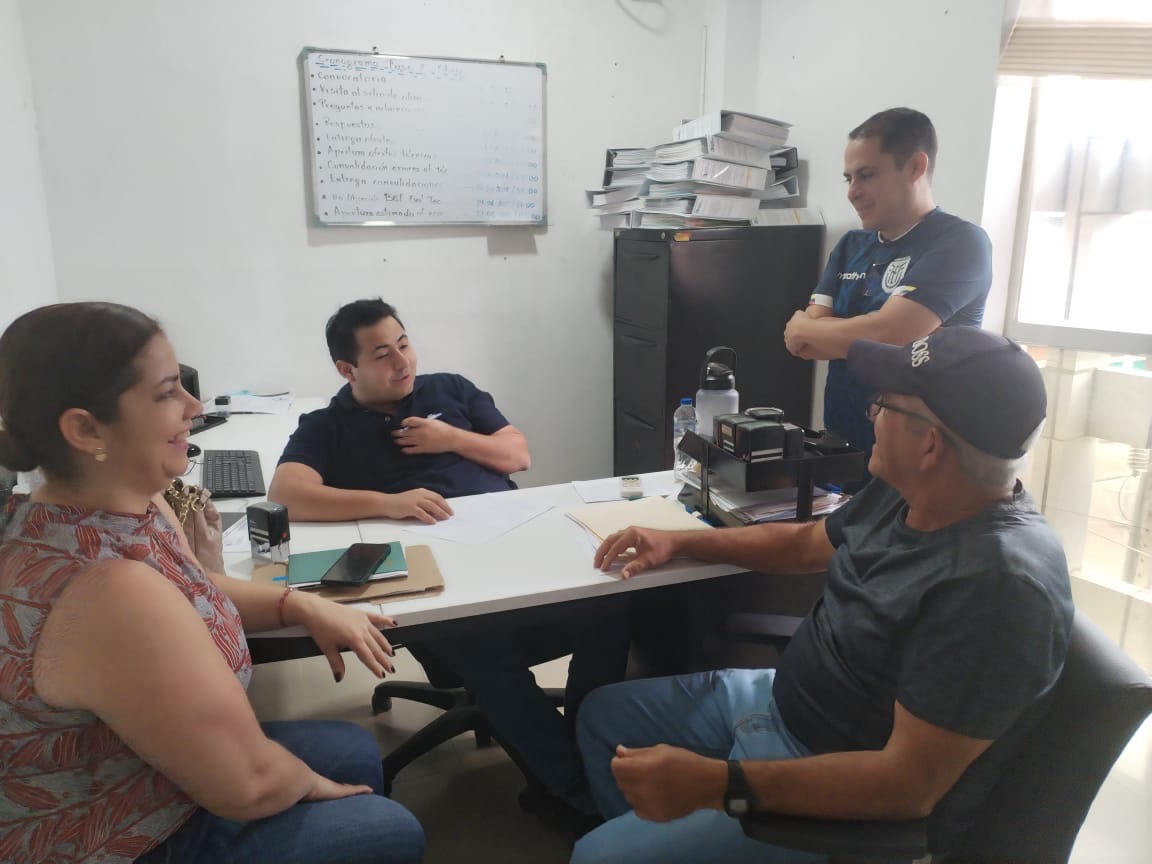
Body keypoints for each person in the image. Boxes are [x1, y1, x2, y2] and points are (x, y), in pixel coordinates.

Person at [574, 326, 1072, 864]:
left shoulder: (997, 588)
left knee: (595, 857)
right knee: (602, 717)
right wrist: (679, 540)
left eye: (883, 404)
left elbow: (907, 787)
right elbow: (804, 543)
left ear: (929, 444)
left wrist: (717, 786)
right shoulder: (910, 491)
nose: (870, 414)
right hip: (775, 699)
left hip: (830, 772)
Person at [0, 302, 425, 864]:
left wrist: (299, 604)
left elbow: (199, 585)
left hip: (144, 767)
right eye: (167, 393)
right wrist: (308, 784)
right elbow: (248, 786)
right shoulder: (106, 590)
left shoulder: (133, 501)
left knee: (355, 752)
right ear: (85, 428)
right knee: (388, 829)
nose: (195, 408)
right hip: (112, 834)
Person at [268, 298, 628, 837]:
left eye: (404, 344)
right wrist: (389, 503)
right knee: (487, 651)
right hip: (439, 577)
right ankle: (577, 793)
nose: (402, 362)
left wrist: (452, 438)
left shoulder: (451, 390)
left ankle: (587, 748)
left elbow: (516, 455)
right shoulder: (328, 425)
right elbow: (287, 494)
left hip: (517, 544)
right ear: (348, 369)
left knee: (609, 612)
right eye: (382, 354)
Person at [783, 107, 993, 455]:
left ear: (915, 167)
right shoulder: (851, 245)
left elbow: (891, 333)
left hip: (917, 459)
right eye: (849, 179)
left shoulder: (960, 242)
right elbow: (806, 346)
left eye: (866, 175)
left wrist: (812, 327)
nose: (852, 192)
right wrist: (874, 334)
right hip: (840, 450)